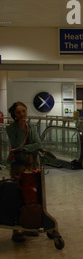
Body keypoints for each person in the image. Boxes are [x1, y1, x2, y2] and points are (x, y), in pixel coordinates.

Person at [6, 101, 42, 243]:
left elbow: (38, 144)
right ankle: (16, 230)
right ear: (14, 115)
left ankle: (29, 226)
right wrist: (21, 130)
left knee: (31, 196)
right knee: (17, 196)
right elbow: (15, 146)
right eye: (18, 112)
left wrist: (25, 149)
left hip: (31, 165)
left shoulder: (32, 127)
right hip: (18, 166)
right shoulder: (11, 129)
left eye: (23, 111)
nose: (22, 114)